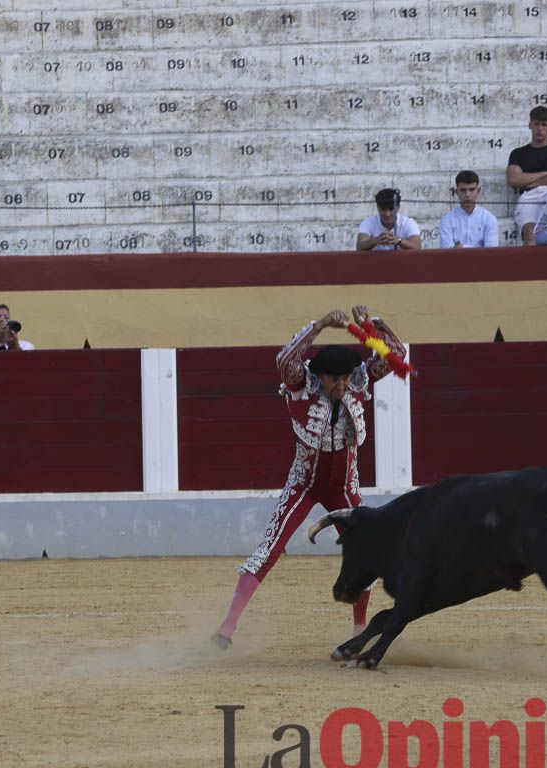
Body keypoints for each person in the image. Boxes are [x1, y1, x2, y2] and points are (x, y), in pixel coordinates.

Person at [212, 305, 407, 649]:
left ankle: (358, 629)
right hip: (303, 484)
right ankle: (227, 628)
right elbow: (284, 359)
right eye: (336, 379)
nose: (343, 385)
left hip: (345, 489)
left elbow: (396, 355)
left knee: (368, 555)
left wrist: (370, 325)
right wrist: (319, 325)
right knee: (267, 550)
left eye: (346, 378)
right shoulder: (301, 383)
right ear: (321, 376)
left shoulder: (358, 382)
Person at [506, 105, 547, 246]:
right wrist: (544, 174)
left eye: (544, 124)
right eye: (536, 124)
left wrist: (527, 181)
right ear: (530, 125)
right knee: (530, 238)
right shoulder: (518, 153)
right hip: (528, 198)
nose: (540, 128)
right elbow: (513, 180)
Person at [438, 170, 500, 248]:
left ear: (478, 190)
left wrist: (461, 247)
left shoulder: (489, 219)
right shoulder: (447, 220)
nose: (468, 195)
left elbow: (491, 253)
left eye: (472, 190)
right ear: (457, 192)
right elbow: (446, 252)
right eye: (463, 190)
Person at [356, 188, 421, 251]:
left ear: (398, 207)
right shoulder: (368, 223)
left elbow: (417, 246)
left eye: (391, 209)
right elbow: (359, 246)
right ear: (378, 207)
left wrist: (398, 240)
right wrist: (376, 240)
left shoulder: (408, 223)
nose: (387, 214)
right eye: (383, 209)